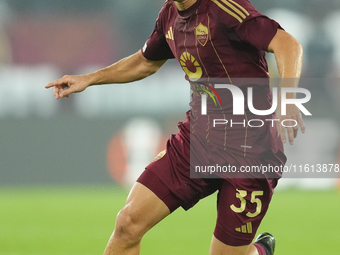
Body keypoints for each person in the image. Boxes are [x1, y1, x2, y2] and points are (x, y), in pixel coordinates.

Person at [45, 0, 305, 254]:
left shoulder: (224, 8)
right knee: (128, 224)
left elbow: (288, 44)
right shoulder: (169, 15)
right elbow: (145, 62)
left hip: (250, 152)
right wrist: (88, 79)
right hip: (197, 143)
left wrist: (289, 100)